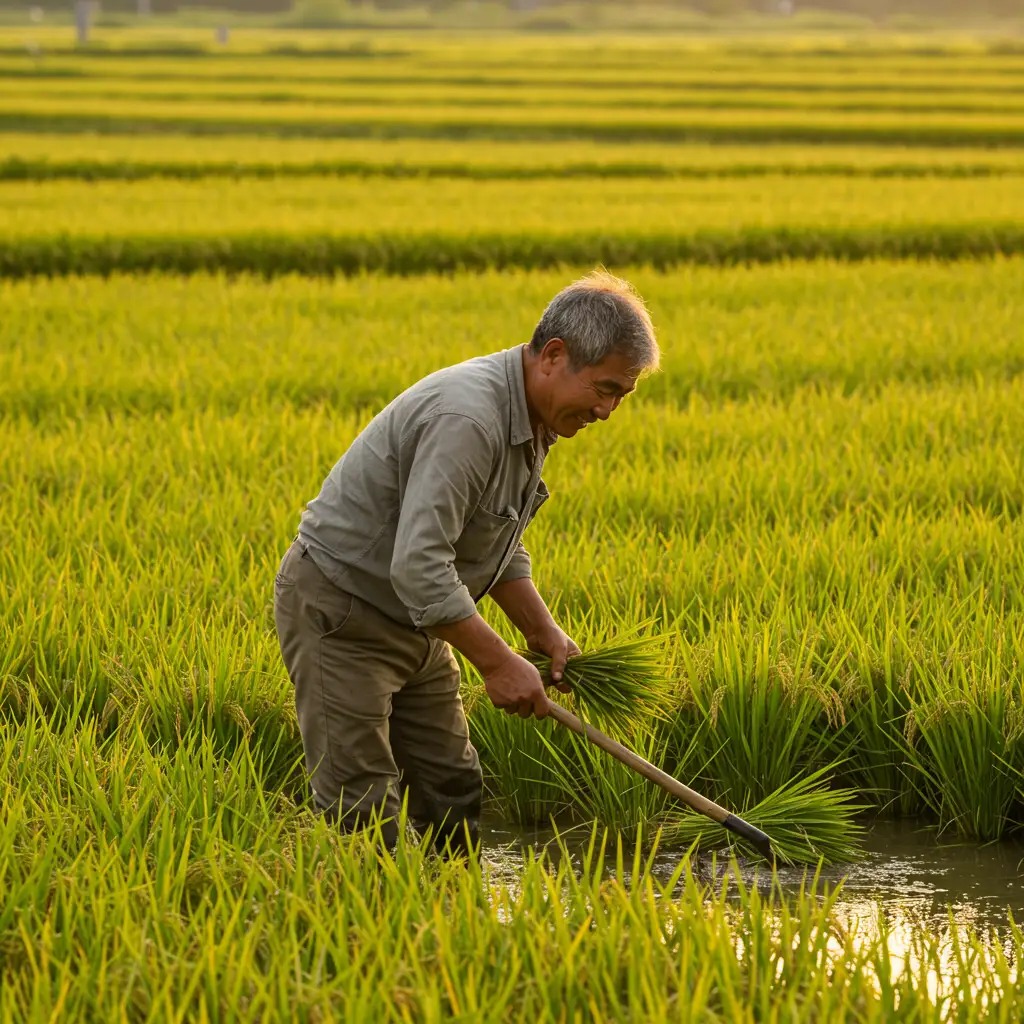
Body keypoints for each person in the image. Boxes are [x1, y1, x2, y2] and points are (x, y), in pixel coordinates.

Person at [273, 271, 660, 856]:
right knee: (362, 808)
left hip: (419, 620)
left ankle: (454, 923)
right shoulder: (470, 419)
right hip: (345, 614)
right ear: (554, 355)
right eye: (603, 389)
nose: (606, 411)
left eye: (620, 398)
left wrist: (540, 630)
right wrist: (499, 664)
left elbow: (492, 542)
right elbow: (421, 566)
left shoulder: (532, 418)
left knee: (451, 784)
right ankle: (365, 929)